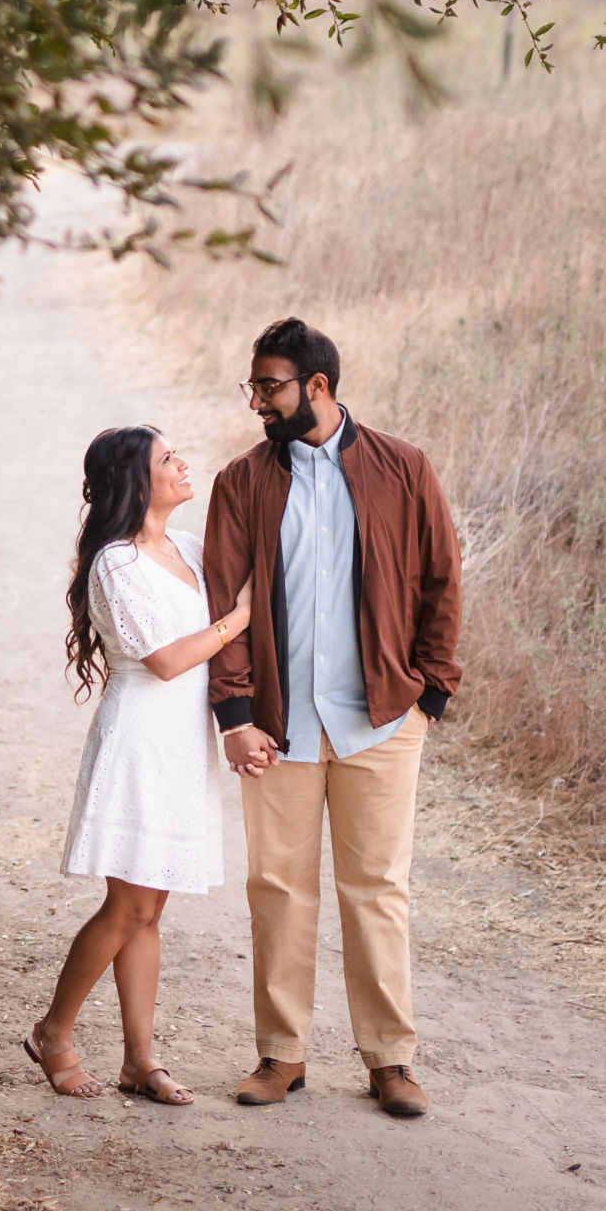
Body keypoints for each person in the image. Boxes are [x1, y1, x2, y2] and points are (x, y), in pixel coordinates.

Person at [200, 318, 463, 1118]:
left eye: (268, 386)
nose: (256, 402)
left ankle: (391, 1059)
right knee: (275, 885)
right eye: (252, 386)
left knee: (377, 886)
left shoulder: (403, 468)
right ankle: (281, 1053)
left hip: (381, 719)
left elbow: (442, 583)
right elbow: (223, 597)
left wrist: (430, 693)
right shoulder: (240, 483)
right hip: (278, 724)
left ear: (316, 387)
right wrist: (236, 713)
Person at [26, 425, 255, 1105]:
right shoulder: (115, 564)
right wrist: (238, 619)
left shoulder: (186, 548)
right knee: (128, 904)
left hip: (181, 744)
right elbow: (166, 659)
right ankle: (54, 1030)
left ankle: (138, 1059)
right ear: (137, 480)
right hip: (138, 742)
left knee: (150, 908)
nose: (183, 463)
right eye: (166, 458)